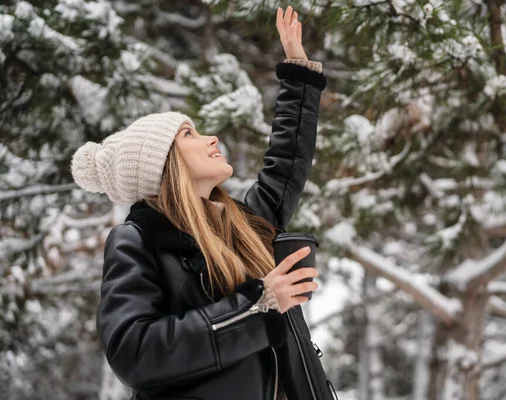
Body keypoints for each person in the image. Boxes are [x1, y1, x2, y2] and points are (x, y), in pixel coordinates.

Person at [70, 5, 338, 400]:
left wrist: (298, 72)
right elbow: (134, 352)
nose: (210, 138)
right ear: (166, 164)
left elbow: (286, 167)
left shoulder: (241, 226)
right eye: (189, 135)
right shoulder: (138, 240)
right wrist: (257, 305)